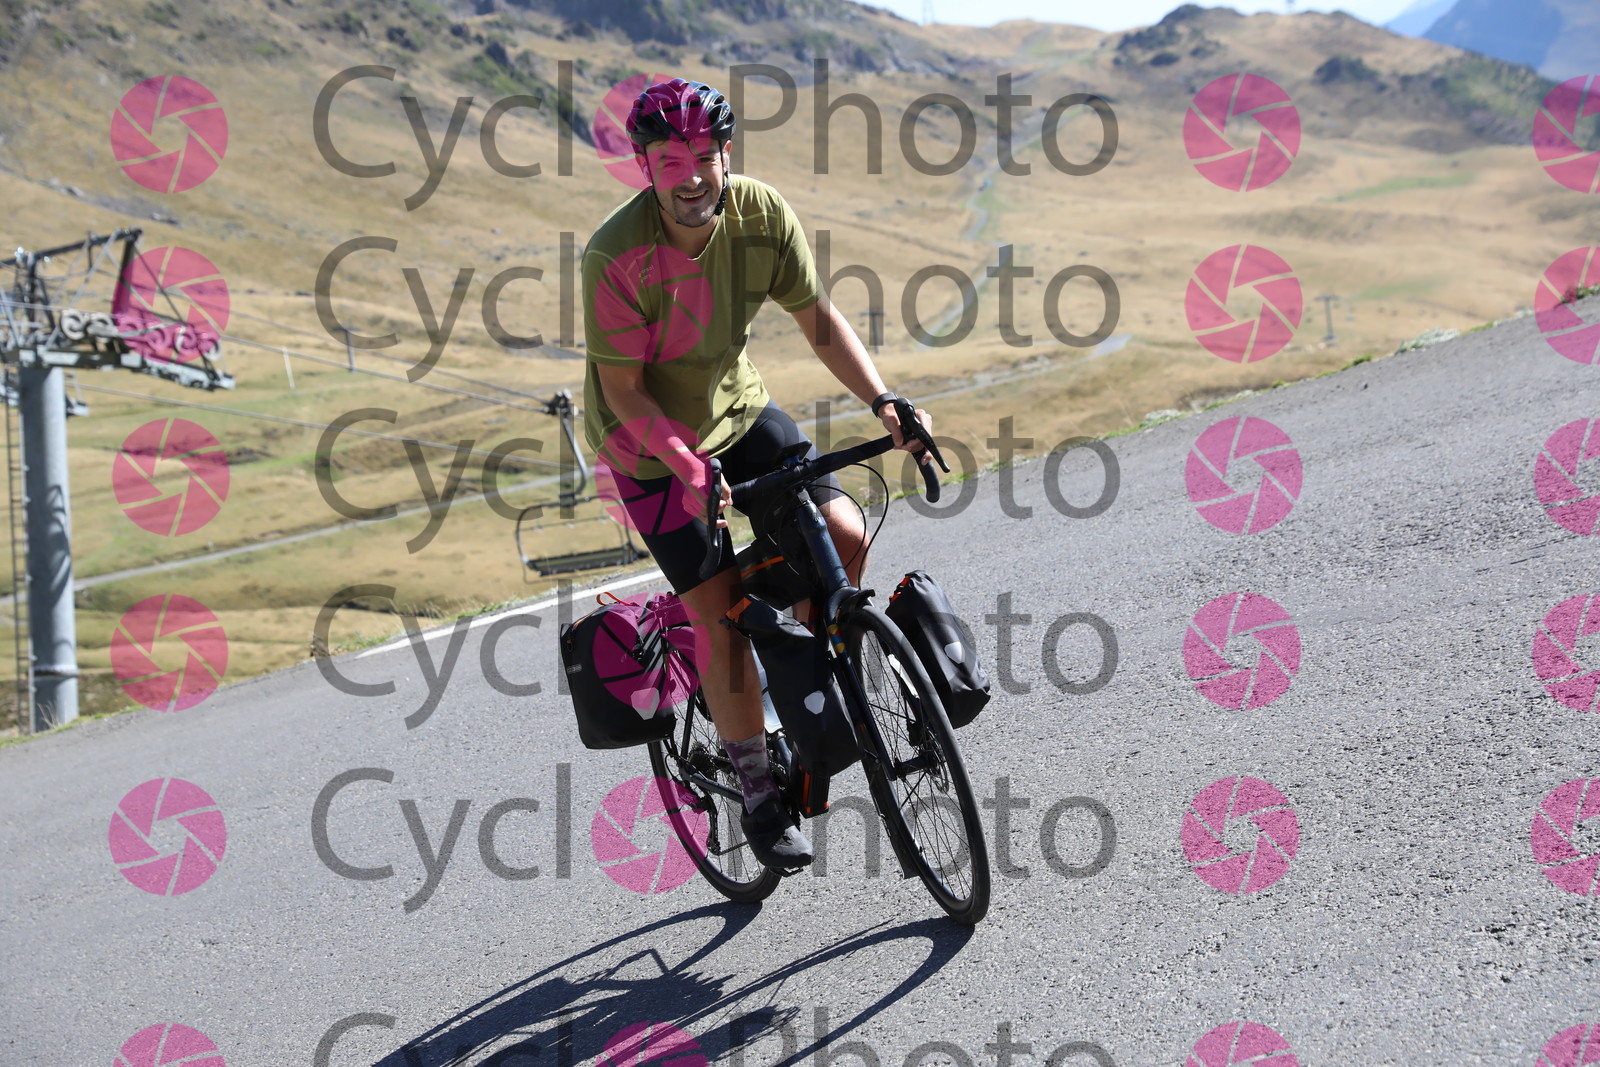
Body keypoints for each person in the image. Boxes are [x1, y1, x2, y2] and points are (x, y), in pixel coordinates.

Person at [581, 78, 932, 871]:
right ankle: (759, 788)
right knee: (721, 615)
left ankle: (803, 685)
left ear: (725, 155)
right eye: (671, 162)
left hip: (737, 412)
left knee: (842, 533)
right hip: (649, 448)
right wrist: (684, 462)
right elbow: (624, 391)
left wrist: (884, 401)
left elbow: (818, 319)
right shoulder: (615, 254)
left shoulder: (762, 215)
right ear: (643, 166)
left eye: (704, 157)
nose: (691, 177)